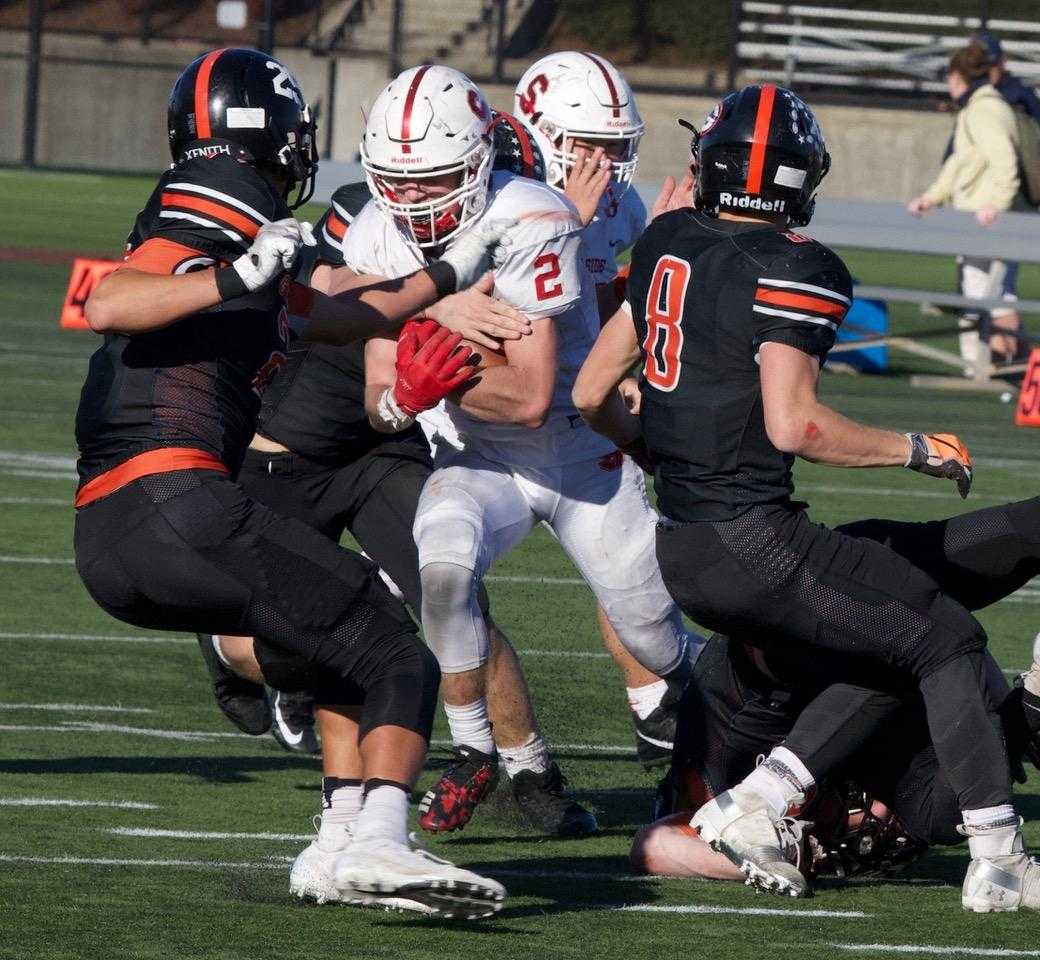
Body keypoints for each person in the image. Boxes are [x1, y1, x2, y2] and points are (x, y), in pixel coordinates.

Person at [575, 81, 1039, 912]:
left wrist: (660, 450)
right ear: (802, 177)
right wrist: (916, 448)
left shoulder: (668, 241)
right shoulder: (794, 266)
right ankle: (1000, 856)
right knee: (946, 640)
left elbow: (590, 391)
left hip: (689, 545)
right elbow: (796, 425)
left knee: (901, 611)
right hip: (757, 544)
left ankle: (768, 796)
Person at [73, 47, 509, 919]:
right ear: (258, 133)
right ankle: (383, 838)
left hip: (113, 533)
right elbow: (111, 300)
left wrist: (459, 269)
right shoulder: (229, 189)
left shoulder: (257, 237)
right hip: (177, 498)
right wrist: (240, 271)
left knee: (333, 639)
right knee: (395, 650)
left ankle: (338, 842)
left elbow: (350, 315)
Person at [341, 64, 698, 836]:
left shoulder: (541, 212)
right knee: (439, 565)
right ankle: (476, 755)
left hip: (576, 447)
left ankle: (739, 736)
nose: (412, 201)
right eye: (582, 143)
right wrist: (401, 392)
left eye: (610, 145)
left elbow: (539, 388)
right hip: (477, 453)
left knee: (656, 639)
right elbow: (378, 388)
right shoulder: (375, 227)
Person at [633, 495, 1040, 893]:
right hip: (861, 666)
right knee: (949, 810)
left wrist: (790, 856)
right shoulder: (885, 791)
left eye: (858, 826)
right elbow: (953, 646)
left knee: (1011, 543)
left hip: (816, 591)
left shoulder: (718, 767)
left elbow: (654, 848)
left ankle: (765, 793)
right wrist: (1020, 716)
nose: (877, 817)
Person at [514, 51, 681, 769]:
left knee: (636, 582)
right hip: (480, 421)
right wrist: (559, 225)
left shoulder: (621, 205)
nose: (608, 161)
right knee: (424, 578)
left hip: (578, 418)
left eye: (618, 145)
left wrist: (628, 351)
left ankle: (656, 711)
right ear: (543, 132)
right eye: (592, 144)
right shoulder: (499, 193)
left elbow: (602, 296)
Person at [908, 44, 1031, 367]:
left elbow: (1004, 162)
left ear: (958, 77)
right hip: (990, 216)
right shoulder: (987, 107)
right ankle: (1007, 363)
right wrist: (932, 197)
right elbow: (962, 163)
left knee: (987, 292)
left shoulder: (981, 111)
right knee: (996, 290)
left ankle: (994, 364)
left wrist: (997, 205)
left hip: (987, 218)